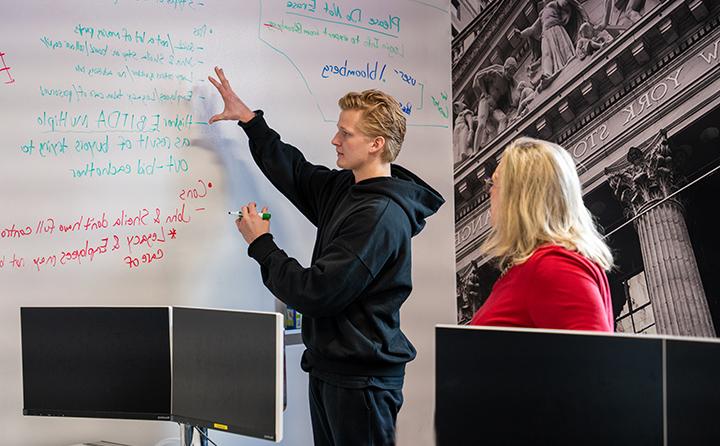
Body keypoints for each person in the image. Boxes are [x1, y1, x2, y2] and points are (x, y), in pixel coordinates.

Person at [208, 67, 444, 445]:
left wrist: (261, 245)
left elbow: (317, 292)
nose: (335, 140)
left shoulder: (379, 216)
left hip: (361, 382)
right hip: (332, 371)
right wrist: (251, 121)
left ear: (376, 144)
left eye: (346, 134)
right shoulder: (346, 189)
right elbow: (295, 173)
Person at [469, 137, 614, 331]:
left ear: (520, 194)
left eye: (494, 183)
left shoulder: (553, 266)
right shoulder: (534, 266)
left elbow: (596, 358)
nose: (489, 193)